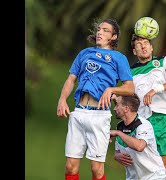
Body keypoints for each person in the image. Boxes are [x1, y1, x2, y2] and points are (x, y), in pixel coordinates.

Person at [56, 19, 134, 180]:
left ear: (114, 37)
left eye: (105, 30)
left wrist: (111, 89)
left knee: (96, 169)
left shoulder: (119, 58)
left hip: (100, 116)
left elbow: (129, 88)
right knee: (70, 167)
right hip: (78, 113)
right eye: (99, 29)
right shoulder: (84, 53)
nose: (99, 32)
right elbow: (71, 79)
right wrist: (62, 99)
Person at [129, 34, 166, 180]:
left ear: (152, 47)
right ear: (134, 51)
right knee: (142, 167)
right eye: (139, 44)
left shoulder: (163, 61)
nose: (143, 46)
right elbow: (126, 97)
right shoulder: (130, 72)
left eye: (146, 42)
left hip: (162, 118)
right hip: (141, 122)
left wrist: (156, 89)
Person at [110, 94, 166, 180]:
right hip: (132, 177)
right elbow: (118, 151)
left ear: (126, 109)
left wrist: (118, 133)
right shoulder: (120, 126)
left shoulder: (143, 125)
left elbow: (140, 146)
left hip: (154, 176)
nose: (114, 108)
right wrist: (116, 156)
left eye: (117, 105)